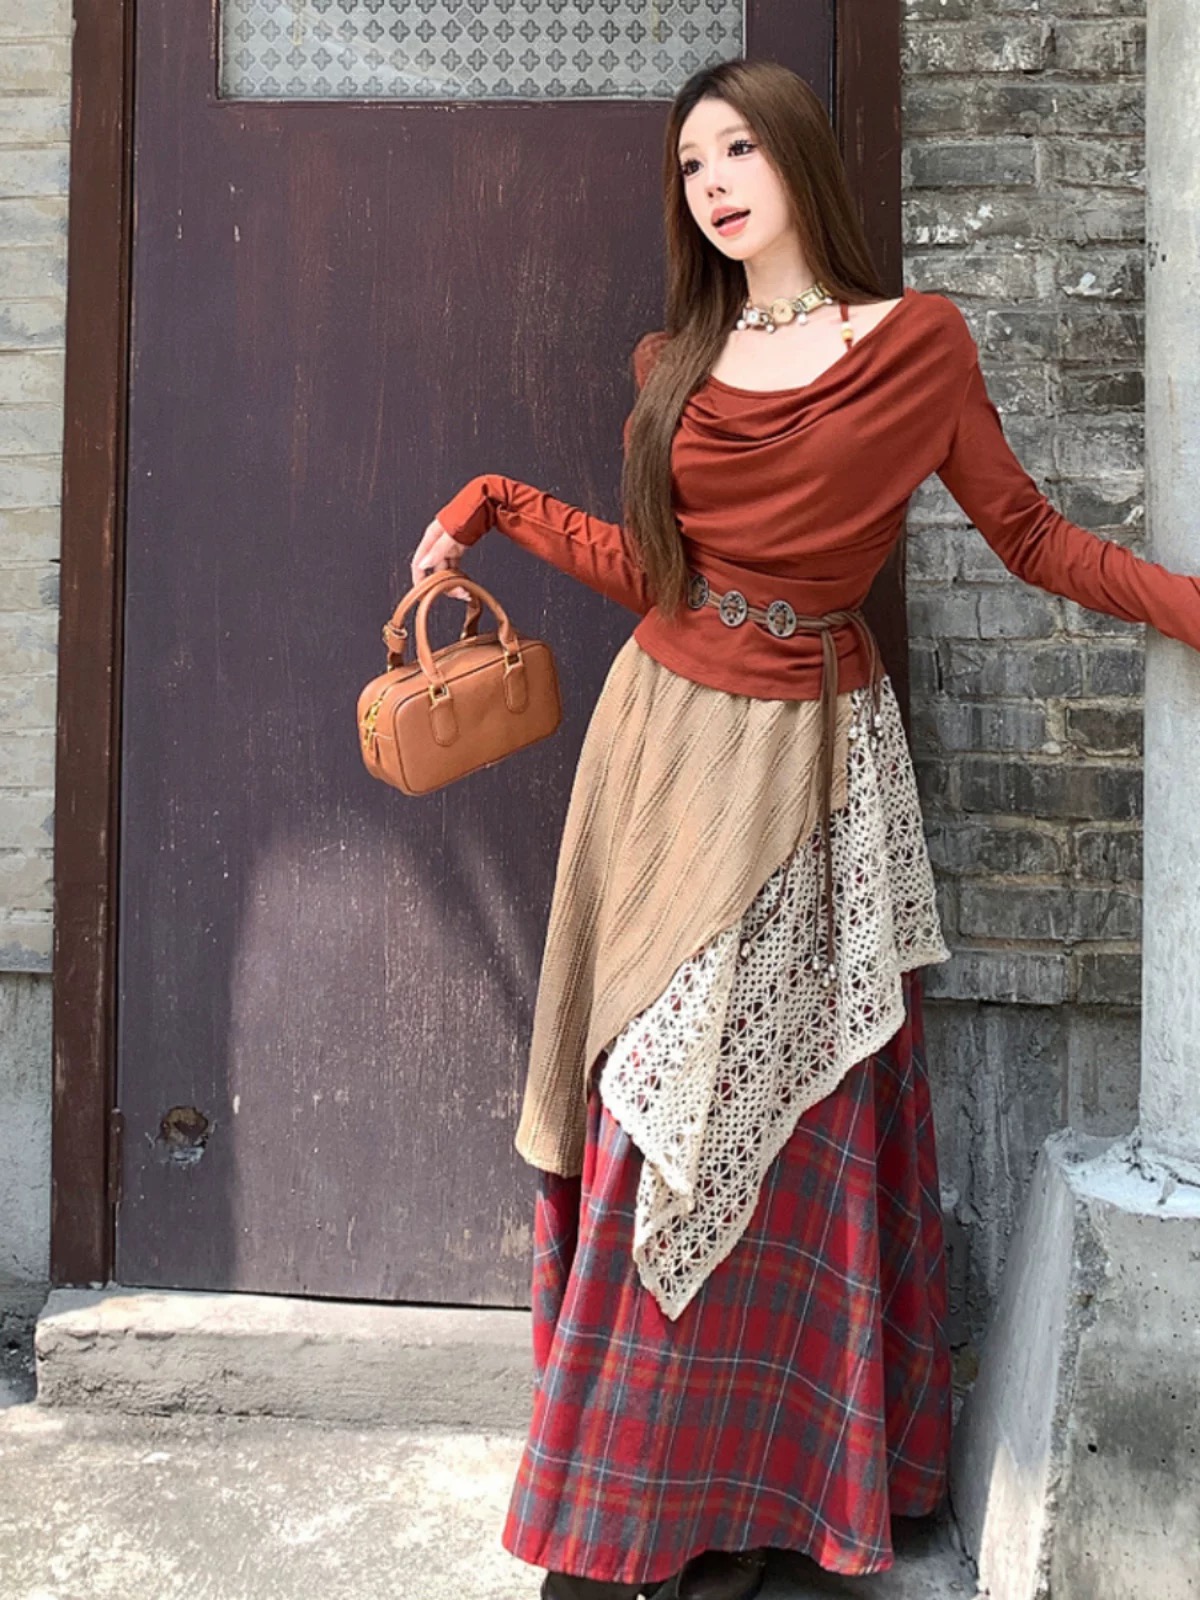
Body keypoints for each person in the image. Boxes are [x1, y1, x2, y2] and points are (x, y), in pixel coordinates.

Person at [410, 56, 1200, 1600]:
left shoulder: (917, 345)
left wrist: (1187, 608)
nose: (712, 182)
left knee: (786, 1120)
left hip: (814, 766)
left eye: (738, 150)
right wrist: (496, 500)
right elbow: (660, 579)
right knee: (650, 1111)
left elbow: (1030, 535)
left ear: (796, 161)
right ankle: (622, 1523)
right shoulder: (676, 361)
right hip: (659, 757)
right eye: (689, 163)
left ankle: (776, 1506)